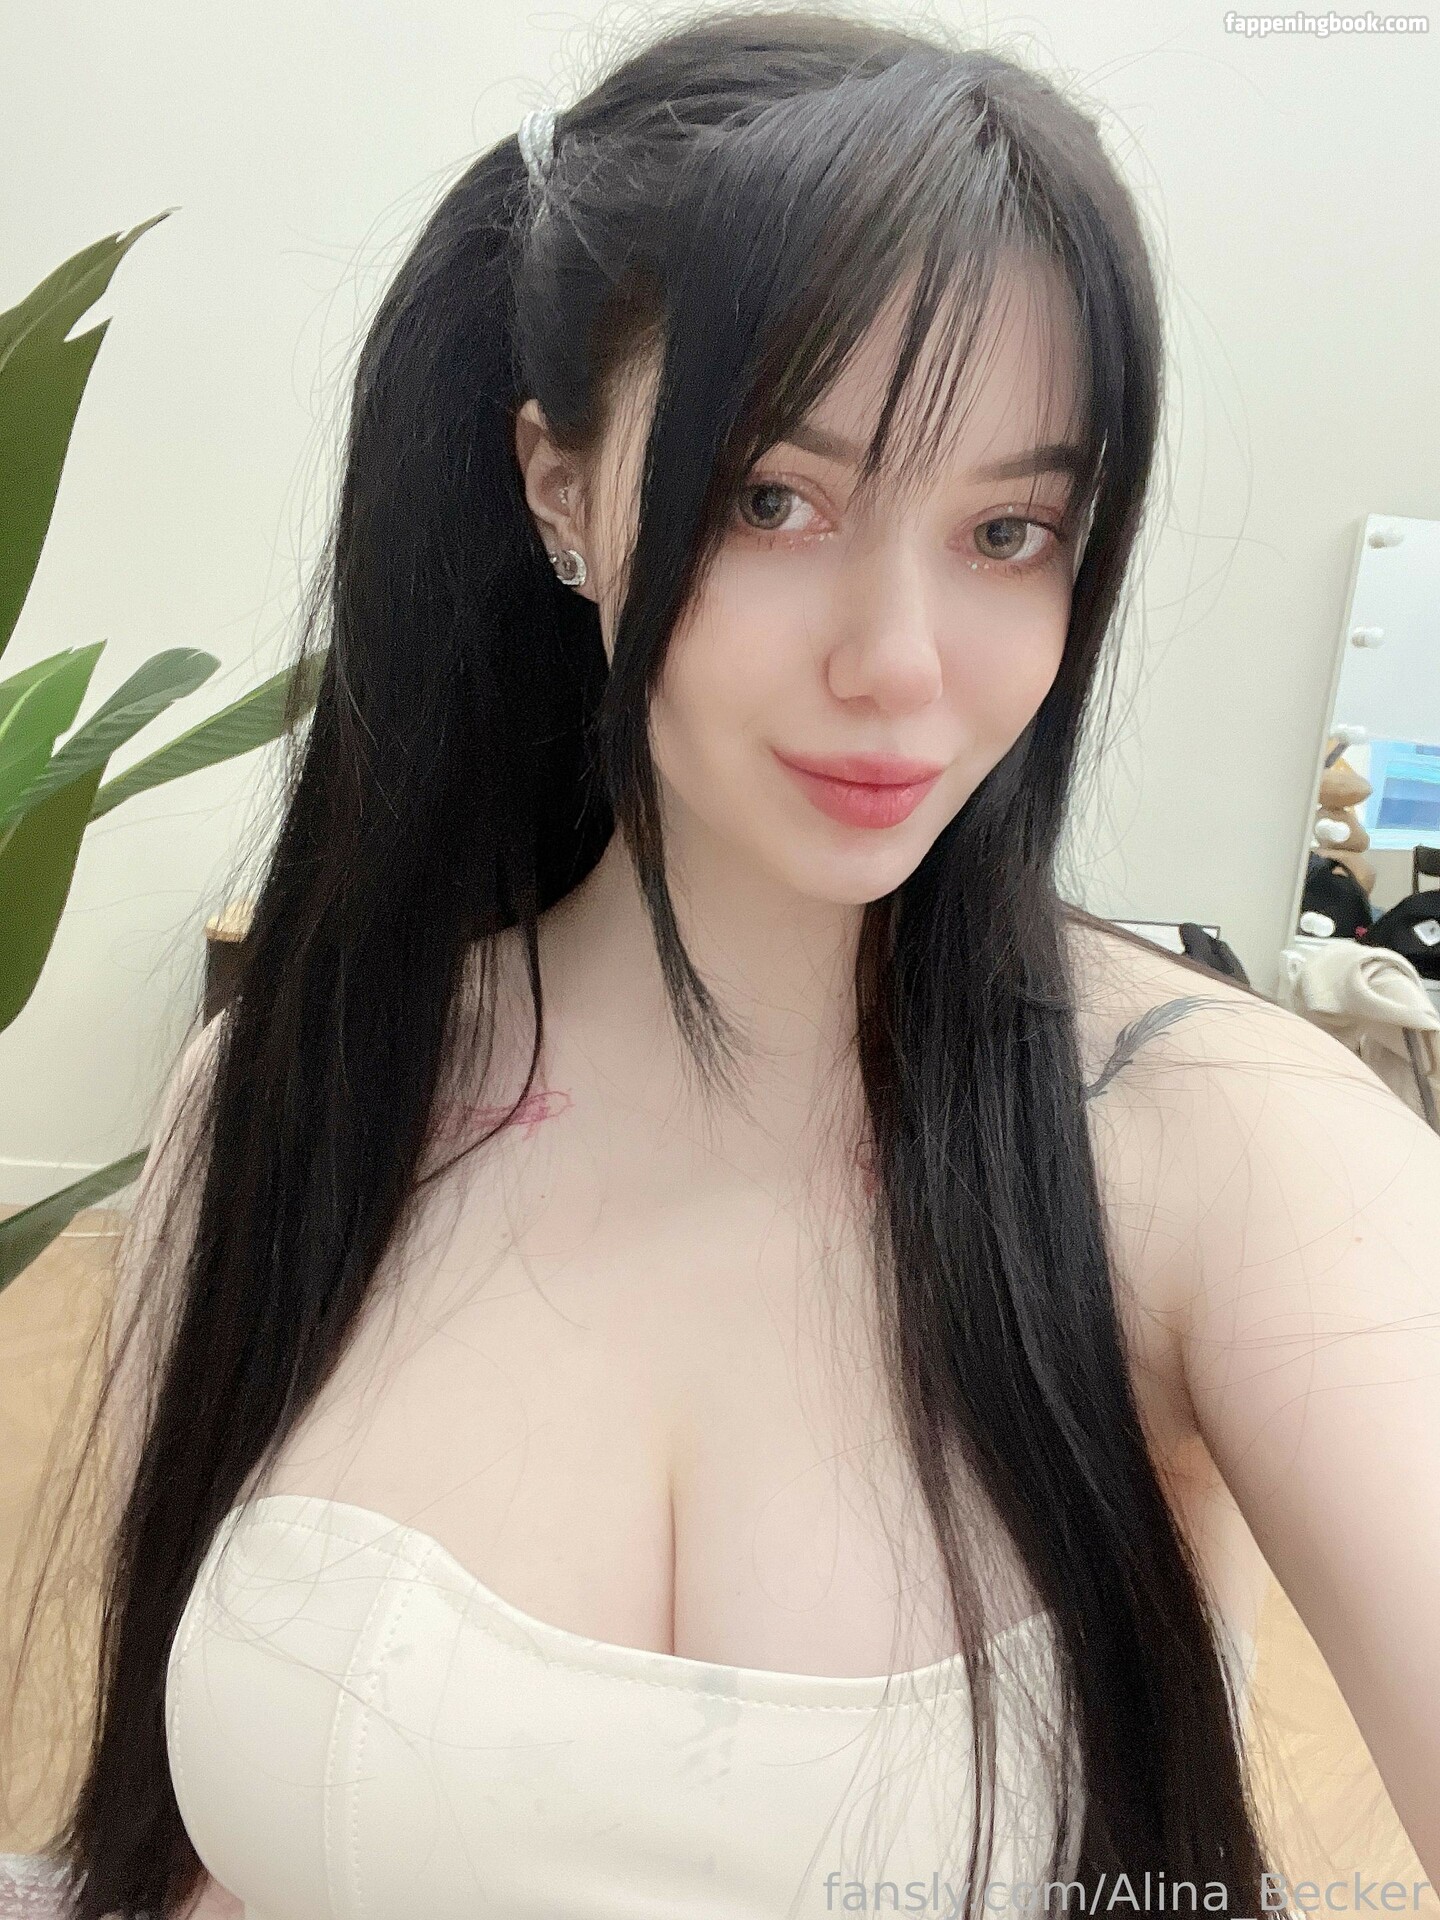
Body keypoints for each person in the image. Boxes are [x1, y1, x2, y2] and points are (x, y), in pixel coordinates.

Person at [9, 8, 1438, 1916]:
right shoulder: (294, 1101)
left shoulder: (1226, 1148)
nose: (900, 664)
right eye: (777, 498)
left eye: (1008, 529)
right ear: (558, 487)